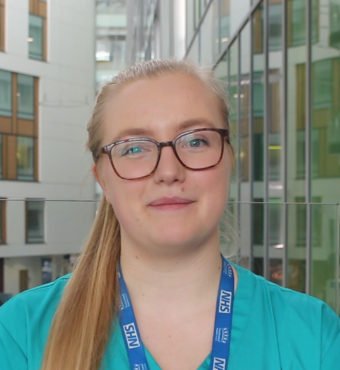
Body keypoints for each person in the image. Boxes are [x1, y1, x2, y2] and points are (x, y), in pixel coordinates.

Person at [0, 59, 339, 370]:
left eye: (194, 141)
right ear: (103, 179)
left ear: (229, 160)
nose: (168, 171)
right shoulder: (20, 331)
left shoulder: (314, 333)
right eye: (134, 148)